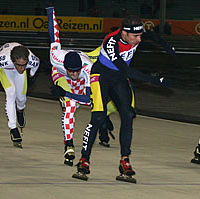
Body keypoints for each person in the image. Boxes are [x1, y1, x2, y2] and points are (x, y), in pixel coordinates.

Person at [72, 15, 145, 183]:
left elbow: (152, 35)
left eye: (141, 35)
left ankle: (125, 160)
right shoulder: (112, 42)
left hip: (118, 78)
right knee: (98, 117)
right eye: (136, 37)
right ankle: (84, 159)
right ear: (125, 33)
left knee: (127, 115)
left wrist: (165, 45)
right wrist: (156, 80)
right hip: (101, 77)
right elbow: (128, 71)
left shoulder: (133, 34)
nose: (139, 40)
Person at [46, 6, 118, 166]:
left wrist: (67, 92)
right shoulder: (56, 58)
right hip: (59, 73)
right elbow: (54, 35)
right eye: (71, 72)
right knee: (69, 105)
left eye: (75, 72)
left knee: (96, 100)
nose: (74, 74)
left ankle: (104, 118)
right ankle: (68, 144)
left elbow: (88, 99)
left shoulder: (88, 70)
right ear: (66, 68)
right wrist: (50, 10)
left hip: (87, 68)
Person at [0, 42, 40, 148]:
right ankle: (13, 128)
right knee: (11, 93)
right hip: (6, 69)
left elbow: (36, 65)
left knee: (22, 99)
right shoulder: (1, 60)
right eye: (19, 65)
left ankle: (20, 110)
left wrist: (32, 76)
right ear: (13, 61)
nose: (22, 68)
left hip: (14, 65)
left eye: (24, 65)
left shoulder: (32, 60)